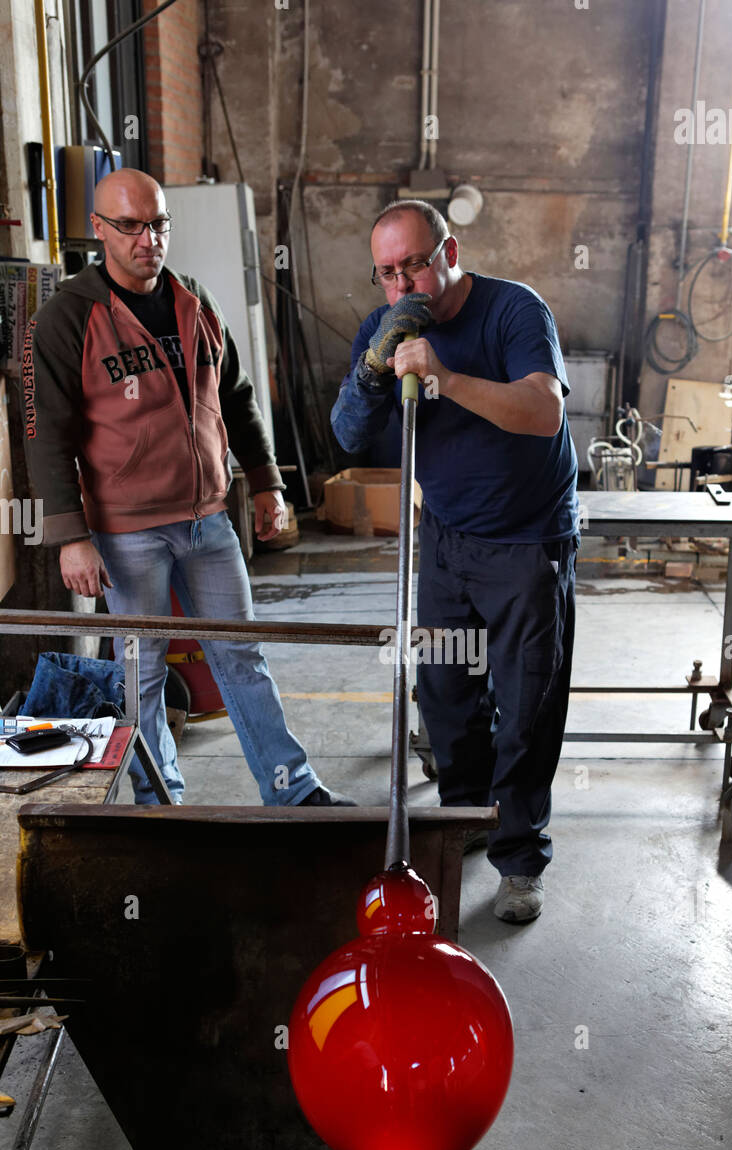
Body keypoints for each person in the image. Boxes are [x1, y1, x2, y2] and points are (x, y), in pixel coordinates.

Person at [22, 168, 353, 808]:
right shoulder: (67, 319)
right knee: (141, 675)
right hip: (126, 531)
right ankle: (162, 804)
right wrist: (71, 537)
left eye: (159, 222)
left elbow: (238, 397)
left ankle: (293, 792)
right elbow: (46, 436)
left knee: (243, 659)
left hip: (208, 519)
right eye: (131, 226)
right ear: (98, 230)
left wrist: (265, 483)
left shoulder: (193, 300)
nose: (150, 238)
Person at [331, 199, 578, 923]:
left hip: (527, 542)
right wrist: (374, 372)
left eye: (414, 264)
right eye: (386, 273)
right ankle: (468, 819)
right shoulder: (386, 327)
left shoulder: (513, 313)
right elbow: (348, 436)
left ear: (451, 251)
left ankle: (519, 858)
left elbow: (544, 412)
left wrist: (442, 375)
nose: (403, 284)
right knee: (444, 696)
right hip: (444, 541)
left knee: (526, 708)